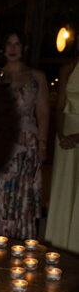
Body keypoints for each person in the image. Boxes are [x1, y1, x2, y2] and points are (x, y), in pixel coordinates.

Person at [0, 32, 49, 238]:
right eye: (8, 44)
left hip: (26, 145)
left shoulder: (37, 77)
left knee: (21, 195)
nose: (12, 48)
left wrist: (42, 145)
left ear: (24, 48)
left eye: (17, 44)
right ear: (2, 48)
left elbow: (42, 112)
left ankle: (19, 243)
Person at [45, 52, 79, 252]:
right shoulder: (68, 68)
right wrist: (61, 135)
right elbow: (59, 106)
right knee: (64, 186)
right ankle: (59, 243)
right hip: (66, 134)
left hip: (77, 135)